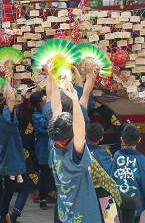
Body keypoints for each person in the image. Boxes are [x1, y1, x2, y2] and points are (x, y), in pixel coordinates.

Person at [47, 64, 102, 222]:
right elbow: (79, 132)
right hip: (83, 216)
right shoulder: (75, 156)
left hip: (65, 211)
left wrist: (53, 76)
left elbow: (56, 109)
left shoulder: (54, 144)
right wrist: (75, 101)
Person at [0, 77, 29, 223]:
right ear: (4, 105)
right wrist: (7, 81)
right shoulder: (7, 117)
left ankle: (3, 215)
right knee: (23, 188)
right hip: (14, 158)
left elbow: (8, 100)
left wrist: (4, 82)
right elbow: (12, 99)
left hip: (4, 157)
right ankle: (12, 216)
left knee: (9, 187)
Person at [109, 124, 145, 223]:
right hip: (135, 200)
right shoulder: (141, 159)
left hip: (119, 198)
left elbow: (111, 176)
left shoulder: (117, 156)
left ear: (121, 139)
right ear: (139, 139)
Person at [30, 90, 53, 210]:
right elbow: (46, 127)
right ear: (39, 102)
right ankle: (42, 198)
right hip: (44, 148)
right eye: (42, 98)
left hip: (51, 146)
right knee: (45, 174)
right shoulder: (36, 116)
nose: (45, 98)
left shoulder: (44, 111)